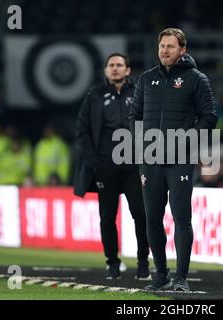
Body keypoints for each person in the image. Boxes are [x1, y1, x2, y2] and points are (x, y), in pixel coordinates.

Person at [129, 28, 218, 291]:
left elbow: (210, 116)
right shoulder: (146, 79)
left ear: (182, 50)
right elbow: (134, 116)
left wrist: (188, 139)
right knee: (152, 218)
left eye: (170, 46)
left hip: (180, 159)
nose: (165, 51)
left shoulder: (196, 79)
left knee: (181, 218)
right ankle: (161, 275)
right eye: (161, 46)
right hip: (150, 159)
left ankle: (181, 278)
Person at [73, 53, 150, 281]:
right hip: (105, 166)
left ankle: (143, 261)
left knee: (140, 213)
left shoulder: (140, 93)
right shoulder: (94, 95)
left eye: (119, 65)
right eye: (111, 65)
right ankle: (112, 263)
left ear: (128, 70)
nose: (115, 69)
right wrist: (93, 160)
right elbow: (82, 130)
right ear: (105, 71)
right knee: (107, 216)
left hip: (134, 165)